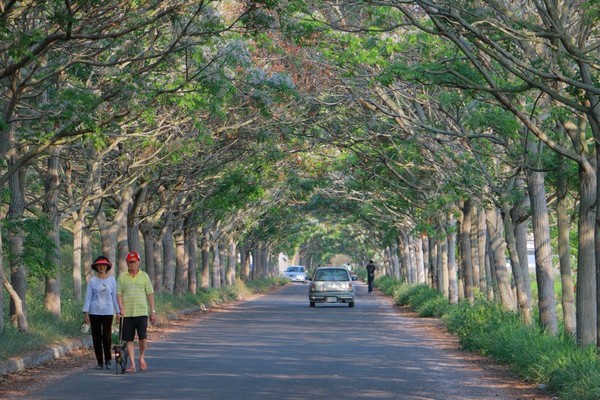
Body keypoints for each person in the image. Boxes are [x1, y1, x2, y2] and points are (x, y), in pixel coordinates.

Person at [117, 251, 156, 372]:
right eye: (129, 262)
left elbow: (150, 294)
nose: (131, 264)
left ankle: (142, 357)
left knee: (143, 338)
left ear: (138, 262)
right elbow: (119, 294)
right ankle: (133, 364)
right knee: (129, 339)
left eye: (134, 262)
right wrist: (120, 308)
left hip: (142, 312)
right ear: (127, 263)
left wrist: (152, 311)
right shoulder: (122, 277)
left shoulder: (144, 276)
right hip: (127, 313)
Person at [83, 255, 120, 370]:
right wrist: (86, 312)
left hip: (108, 312)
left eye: (104, 265)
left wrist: (118, 312)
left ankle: (108, 360)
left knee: (107, 337)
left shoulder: (112, 280)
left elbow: (114, 298)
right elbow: (88, 297)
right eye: (99, 265)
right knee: (96, 337)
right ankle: (99, 361)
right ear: (96, 267)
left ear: (107, 266)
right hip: (94, 312)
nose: (102, 267)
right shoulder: (92, 281)